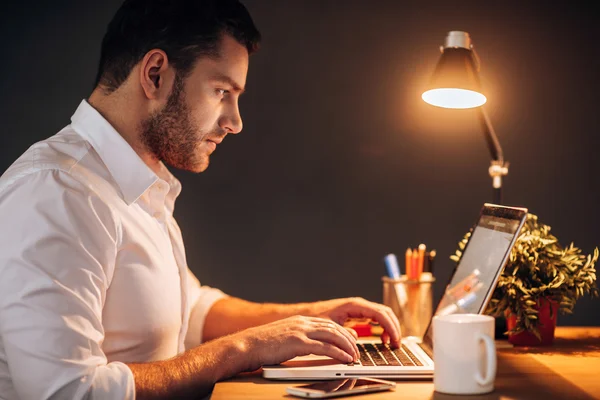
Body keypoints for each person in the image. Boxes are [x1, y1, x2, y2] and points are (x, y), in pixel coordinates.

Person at [0, 1, 401, 399]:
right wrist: (246, 347)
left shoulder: (136, 182)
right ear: (155, 74)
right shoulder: (57, 193)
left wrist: (309, 319)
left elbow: (185, 311)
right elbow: (67, 392)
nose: (235, 122)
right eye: (222, 90)